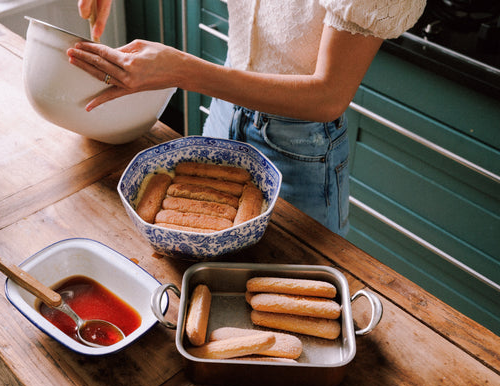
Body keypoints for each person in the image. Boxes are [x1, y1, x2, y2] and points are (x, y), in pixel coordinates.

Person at [70, 0, 425, 236]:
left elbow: (329, 95)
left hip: (299, 148)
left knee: (290, 286)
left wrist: (181, 71)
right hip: (222, 115)